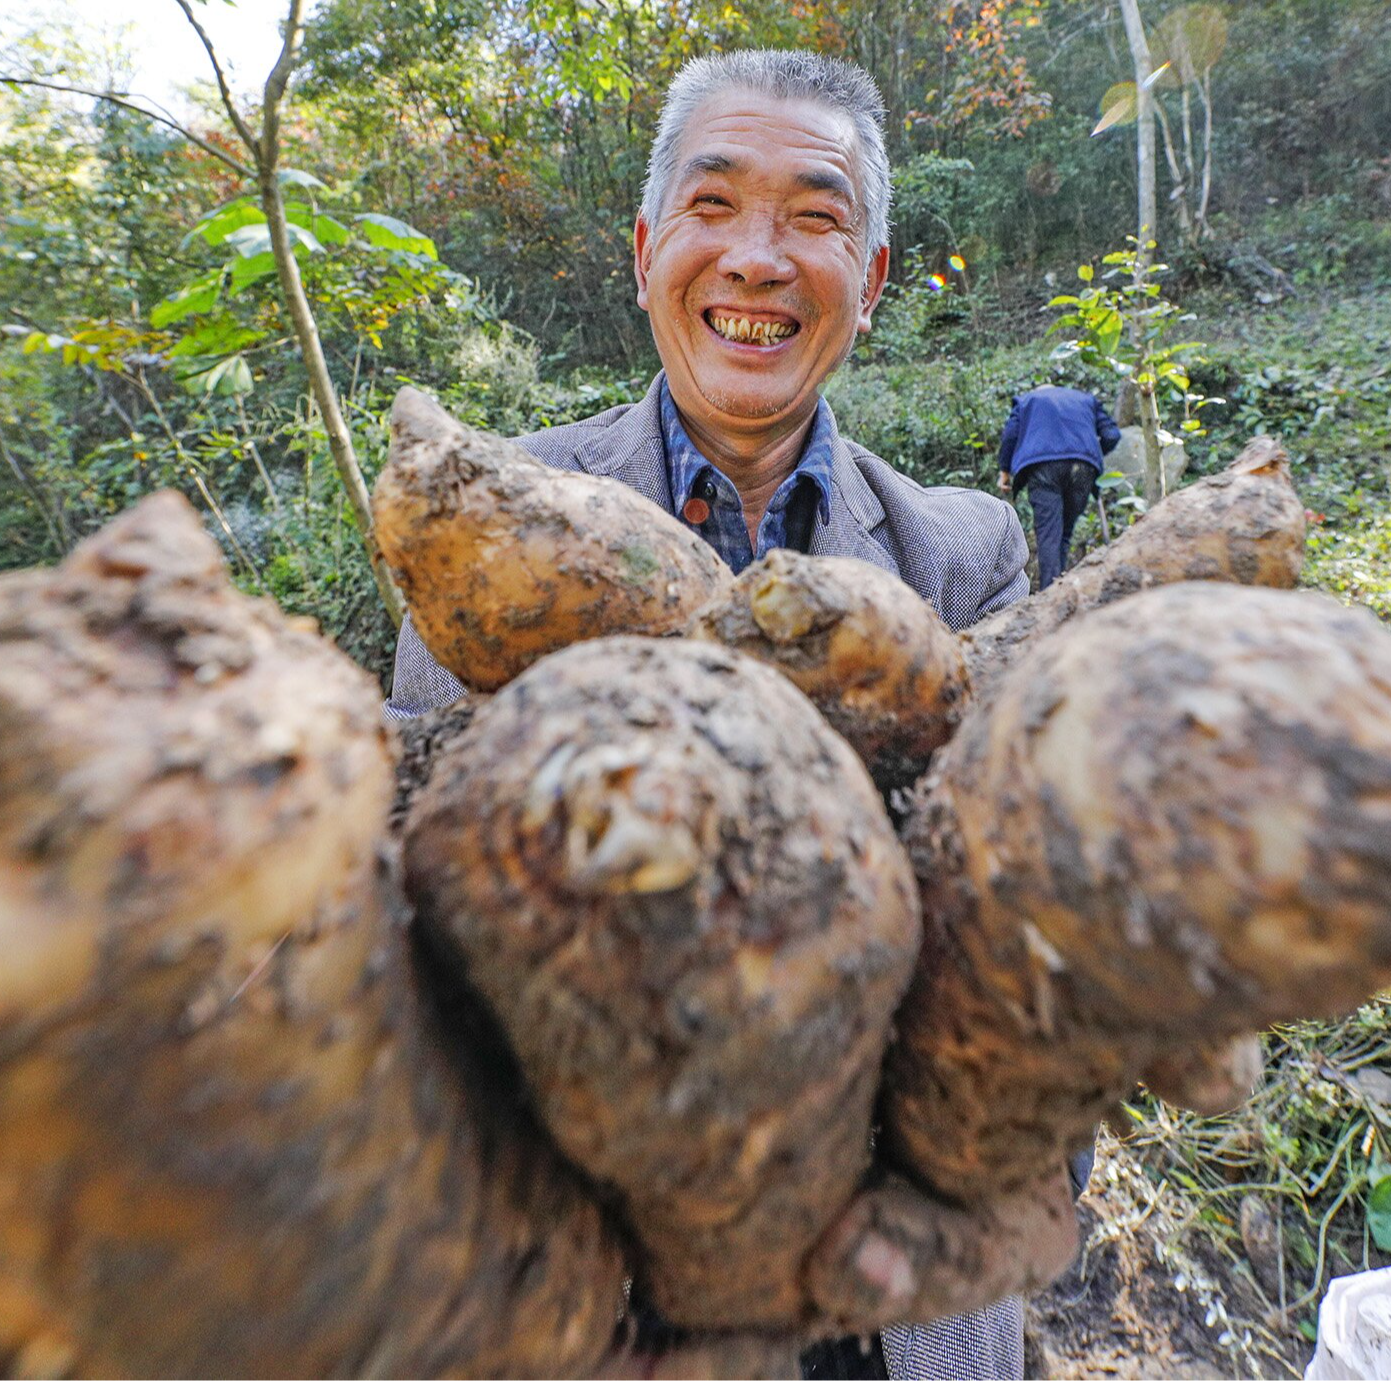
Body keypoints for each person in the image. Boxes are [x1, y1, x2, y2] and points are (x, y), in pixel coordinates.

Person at [386, 48, 1035, 1381]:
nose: (756, 259)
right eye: (715, 205)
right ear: (643, 251)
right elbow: (429, 916)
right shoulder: (491, 521)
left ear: (872, 279)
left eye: (814, 218)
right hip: (606, 1288)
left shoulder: (969, 556)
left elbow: (1024, 941)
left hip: (899, 1284)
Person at [993, 385, 1120, 590]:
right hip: (1083, 468)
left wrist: (1005, 472)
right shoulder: (1086, 399)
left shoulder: (1027, 401)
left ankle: (1049, 594)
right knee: (1065, 533)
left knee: (1049, 535)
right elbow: (1112, 435)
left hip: (1043, 467)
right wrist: (1089, 454)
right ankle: (1059, 589)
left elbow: (1010, 436)